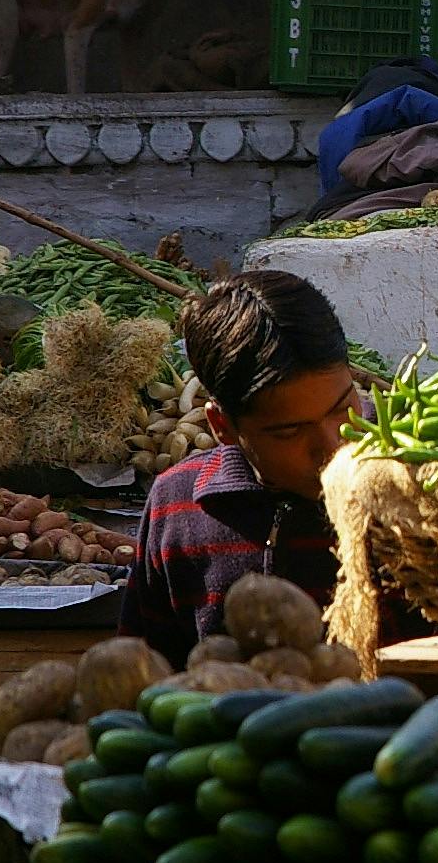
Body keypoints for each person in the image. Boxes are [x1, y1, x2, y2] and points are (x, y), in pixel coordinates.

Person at [121, 269, 365, 666]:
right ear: (222, 427)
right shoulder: (177, 508)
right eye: (290, 431)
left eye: (343, 408)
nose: (333, 445)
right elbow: (145, 676)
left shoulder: (420, 495)